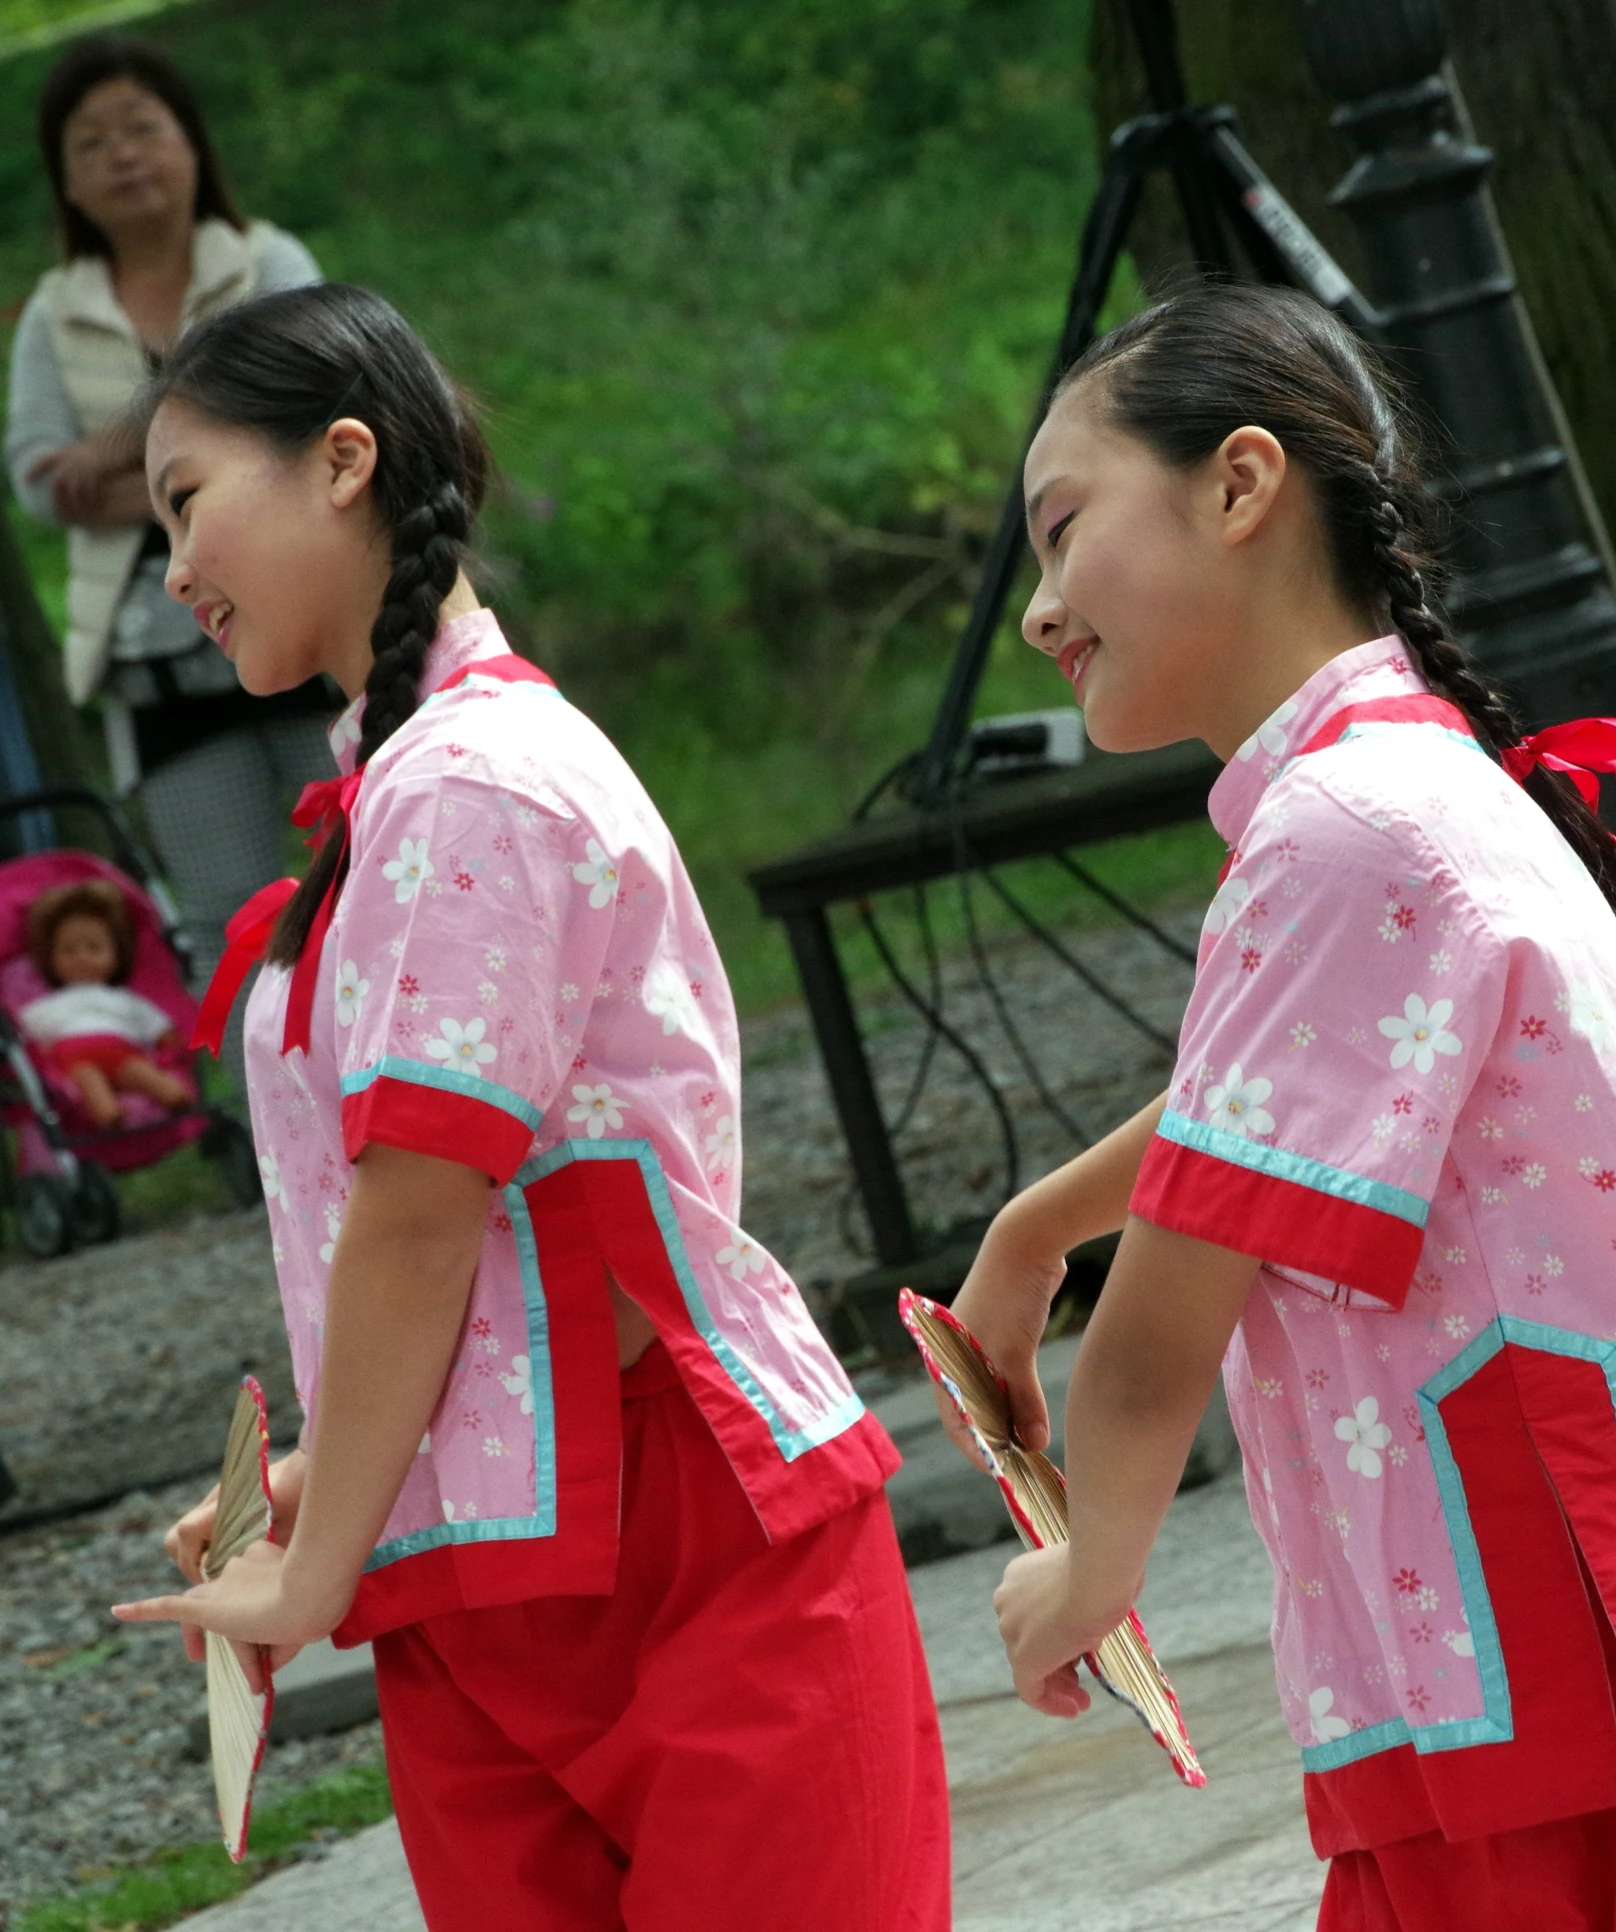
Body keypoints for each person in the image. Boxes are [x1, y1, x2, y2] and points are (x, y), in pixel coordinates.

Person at [941, 284, 1616, 1930]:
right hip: (1572, 1655)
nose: (1039, 608)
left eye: (1062, 527)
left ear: (1239, 485)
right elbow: (1256, 1091)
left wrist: (1091, 1557)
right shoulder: (1390, 783)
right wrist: (1039, 1224)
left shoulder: (1342, 821)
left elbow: (1183, 1277)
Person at [109, 285, 950, 1932]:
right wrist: (312, 1502)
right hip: (491, 1571)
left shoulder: (468, 779)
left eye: (187, 500)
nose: (175, 570)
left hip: (682, 1544)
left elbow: (427, 1213)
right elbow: (457, 1235)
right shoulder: (398, 785)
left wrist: (316, 1551)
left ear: (341, 460)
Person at [5, 37, 330, 982]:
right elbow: (37, 481)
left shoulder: (268, 261)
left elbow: (308, 408)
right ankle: (273, 1121)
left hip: (304, 613)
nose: (122, 155)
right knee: (229, 913)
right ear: (66, 182)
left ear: (191, 144)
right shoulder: (51, 315)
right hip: (156, 658)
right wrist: (215, 442)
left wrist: (112, 452)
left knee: (365, 867)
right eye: (91, 143)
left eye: (142, 128)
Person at [21, 877, 190, 1126]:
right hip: (75, 1059)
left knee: (138, 1070)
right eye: (69, 950)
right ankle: (108, 1113)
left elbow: (155, 1025)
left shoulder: (125, 999)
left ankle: (174, 1095)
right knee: (88, 1079)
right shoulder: (51, 1004)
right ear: (51, 959)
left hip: (122, 1053)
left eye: (94, 948)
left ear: (116, 953)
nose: (82, 957)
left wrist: (168, 1040)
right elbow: (28, 1033)